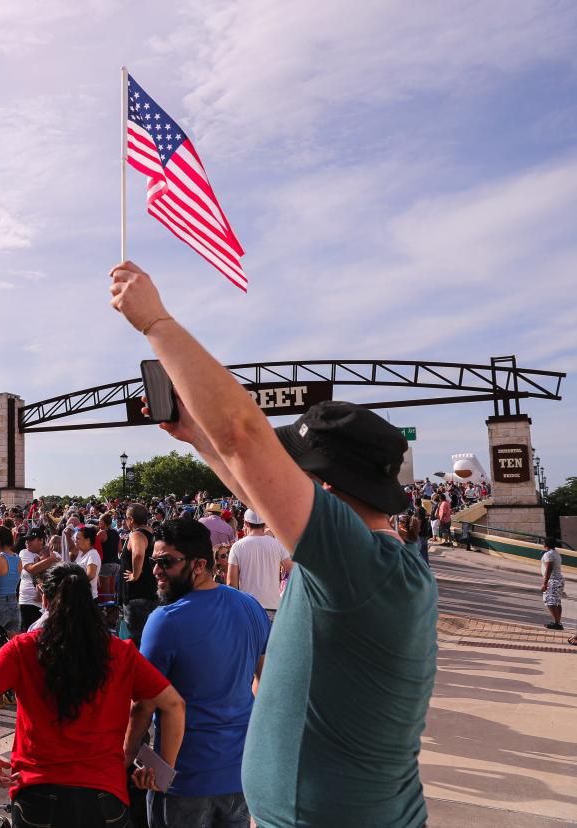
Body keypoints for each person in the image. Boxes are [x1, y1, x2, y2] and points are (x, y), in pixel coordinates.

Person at [109, 260, 437, 827]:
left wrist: (156, 322)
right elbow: (249, 477)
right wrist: (199, 441)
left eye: (292, 469)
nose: (276, 478)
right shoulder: (375, 562)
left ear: (325, 487)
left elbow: (243, 436)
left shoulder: (357, 565)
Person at [0, 563, 186, 828]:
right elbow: (174, 704)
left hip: (37, 793)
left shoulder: (22, 649)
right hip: (104, 794)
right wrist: (162, 767)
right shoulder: (120, 652)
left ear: (44, 598)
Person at [140, 519, 270, 827]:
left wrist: (126, 756)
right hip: (238, 773)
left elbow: (143, 704)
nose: (156, 570)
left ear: (199, 565)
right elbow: (264, 684)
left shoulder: (165, 620)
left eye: (166, 562)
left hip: (183, 779)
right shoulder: (250, 606)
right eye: (153, 561)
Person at [226, 509, 292, 619]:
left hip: (248, 608)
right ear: (264, 523)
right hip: (273, 607)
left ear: (246, 523)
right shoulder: (277, 544)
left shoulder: (237, 547)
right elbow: (294, 570)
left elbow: (231, 583)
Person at [121, 504, 159, 644]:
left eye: (126, 518)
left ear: (131, 519)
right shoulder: (151, 533)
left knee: (137, 640)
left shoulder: (137, 534)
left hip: (137, 595)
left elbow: (138, 554)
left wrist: (135, 575)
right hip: (150, 591)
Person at [18, 528, 54, 630]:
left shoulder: (52, 553)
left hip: (46, 604)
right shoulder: (24, 552)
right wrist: (50, 559)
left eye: (31, 540)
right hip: (27, 602)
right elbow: (31, 569)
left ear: (41, 540)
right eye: (26, 540)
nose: (27, 542)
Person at [540, 537, 565, 631]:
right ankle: (557, 622)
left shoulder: (549, 554)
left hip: (553, 580)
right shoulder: (556, 553)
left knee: (549, 601)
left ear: (545, 544)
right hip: (558, 580)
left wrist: (545, 583)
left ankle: (557, 623)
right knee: (557, 602)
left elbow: (549, 568)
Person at [72, 525, 102, 598]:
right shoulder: (81, 553)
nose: (75, 541)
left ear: (88, 540)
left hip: (87, 598)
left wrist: (72, 581)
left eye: (78, 539)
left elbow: (91, 575)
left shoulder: (92, 554)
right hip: (80, 595)